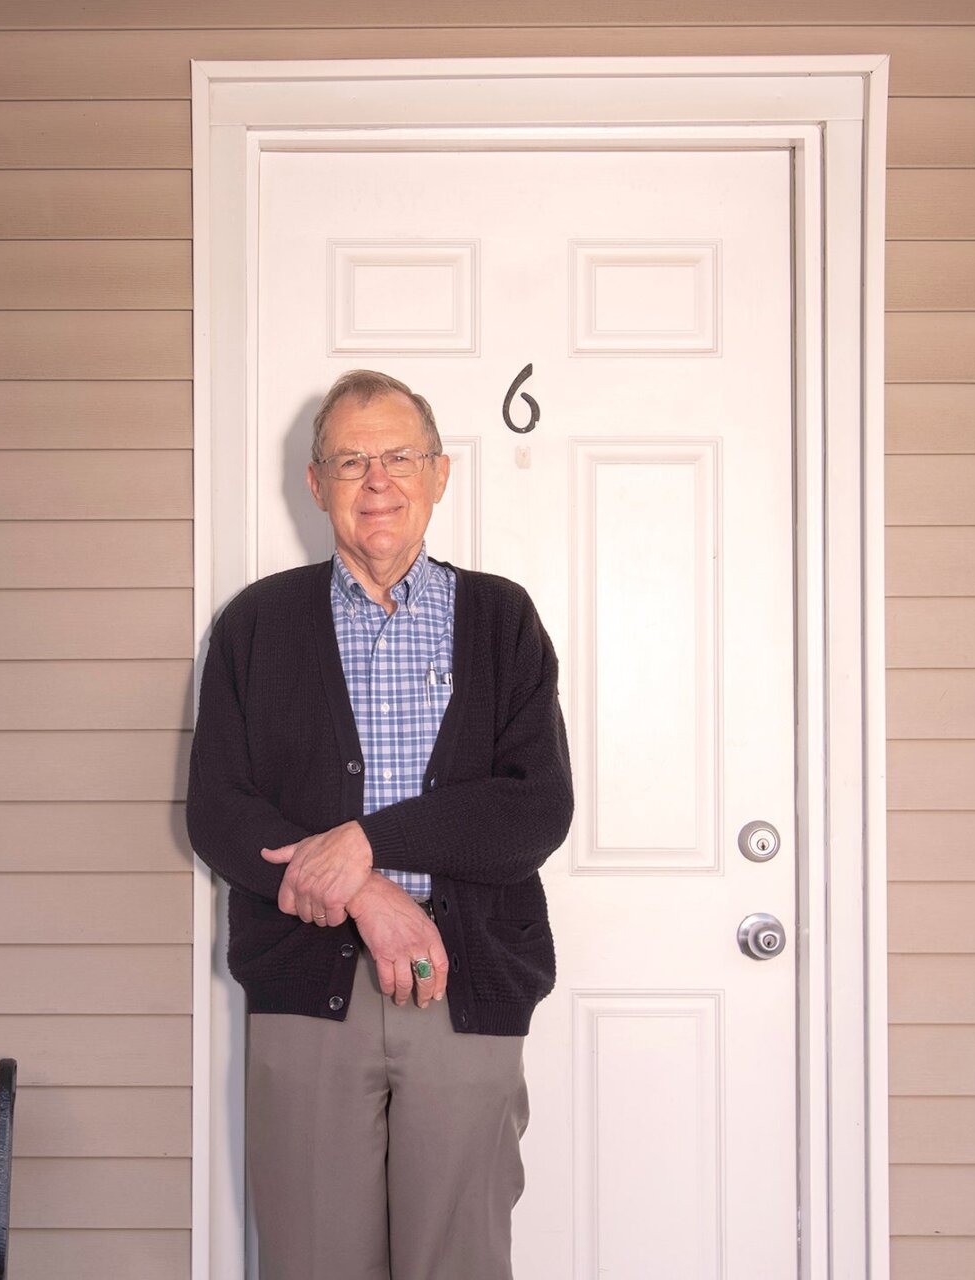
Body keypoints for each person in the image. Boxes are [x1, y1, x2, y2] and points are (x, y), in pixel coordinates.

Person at [186, 369, 574, 1280]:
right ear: (315, 482)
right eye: (350, 460)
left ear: (439, 474)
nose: (377, 482)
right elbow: (220, 812)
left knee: (458, 1263)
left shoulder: (502, 619)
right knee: (311, 1260)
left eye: (399, 457)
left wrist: (368, 841)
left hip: (464, 982)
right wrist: (366, 893)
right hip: (306, 988)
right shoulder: (256, 625)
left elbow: (534, 808)